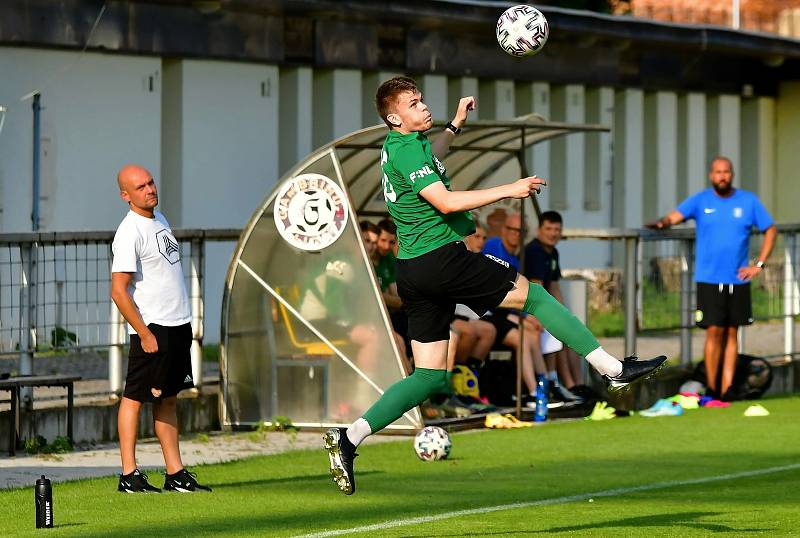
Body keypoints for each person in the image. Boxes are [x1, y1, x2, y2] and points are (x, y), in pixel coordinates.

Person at [323, 76, 665, 495]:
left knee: (429, 377)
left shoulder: (399, 146)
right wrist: (512, 189)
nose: (423, 107)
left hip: (414, 270)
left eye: (422, 100)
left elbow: (430, 161)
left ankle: (350, 437)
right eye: (414, 103)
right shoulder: (408, 146)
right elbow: (446, 202)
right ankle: (613, 370)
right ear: (394, 117)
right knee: (534, 295)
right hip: (442, 260)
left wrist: (454, 126)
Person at [110, 164, 211, 493]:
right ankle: (129, 474)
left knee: (167, 399)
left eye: (151, 182)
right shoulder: (129, 232)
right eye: (140, 187)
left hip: (176, 325)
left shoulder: (160, 219)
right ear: (126, 195)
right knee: (134, 398)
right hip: (152, 327)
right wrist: (145, 332)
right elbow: (118, 290)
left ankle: (175, 472)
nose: (150, 189)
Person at [646, 156, 776, 399]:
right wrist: (661, 223)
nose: (722, 176)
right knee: (713, 331)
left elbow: (770, 229)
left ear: (732, 174)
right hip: (709, 278)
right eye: (718, 172)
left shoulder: (748, 201)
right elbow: (674, 217)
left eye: (726, 172)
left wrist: (758, 264)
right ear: (711, 175)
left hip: (738, 279)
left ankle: (726, 390)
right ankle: (711, 387)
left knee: (731, 332)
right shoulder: (701, 200)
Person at [523, 211, 585, 401]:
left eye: (556, 229)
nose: (552, 233)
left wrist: (565, 314)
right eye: (548, 229)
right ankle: (564, 384)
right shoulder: (534, 251)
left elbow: (555, 287)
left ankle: (578, 385)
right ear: (538, 230)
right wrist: (553, 317)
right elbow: (537, 290)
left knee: (573, 332)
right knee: (558, 332)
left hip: (543, 307)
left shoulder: (553, 252)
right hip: (528, 309)